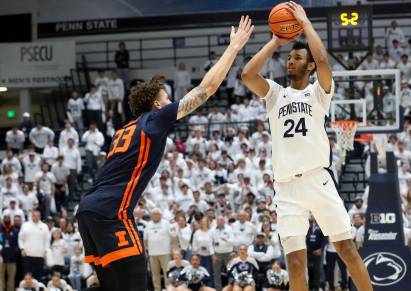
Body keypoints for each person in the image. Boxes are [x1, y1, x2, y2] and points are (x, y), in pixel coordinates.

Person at [75, 17, 253, 291]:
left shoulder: (125, 129)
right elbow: (206, 90)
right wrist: (234, 47)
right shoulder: (155, 119)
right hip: (112, 211)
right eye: (168, 98)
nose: (172, 103)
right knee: (136, 279)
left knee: (110, 284)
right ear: (158, 104)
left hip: (87, 210)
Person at [241, 3, 372, 291]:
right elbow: (248, 75)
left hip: (318, 179)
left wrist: (306, 24)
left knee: (347, 251)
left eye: (298, 57)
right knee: (296, 264)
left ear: (309, 65)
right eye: (289, 58)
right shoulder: (275, 93)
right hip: (286, 188)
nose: (291, 61)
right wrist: (276, 40)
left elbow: (324, 61)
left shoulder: (318, 92)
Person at [18, 210, 50, 282]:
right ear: (32, 216)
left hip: (40, 256)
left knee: (38, 277)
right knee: (27, 276)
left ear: (40, 216)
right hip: (28, 255)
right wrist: (22, 249)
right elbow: (20, 239)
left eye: (38, 216)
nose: (36, 217)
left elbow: (47, 240)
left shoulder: (44, 226)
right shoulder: (25, 225)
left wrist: (46, 251)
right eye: (34, 215)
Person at [0, 214, 19, 291]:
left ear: (10, 220)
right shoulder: (0, 230)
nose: (7, 219)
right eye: (5, 218)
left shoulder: (15, 231)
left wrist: (15, 251)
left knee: (11, 279)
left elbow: (18, 244)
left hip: (12, 259)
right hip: (1, 258)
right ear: (3, 220)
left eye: (8, 218)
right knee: (0, 278)